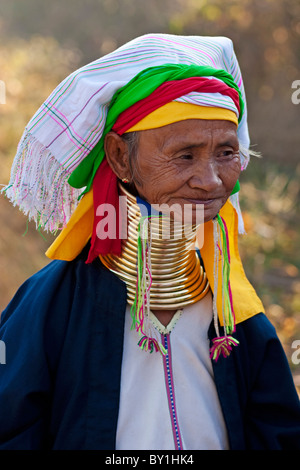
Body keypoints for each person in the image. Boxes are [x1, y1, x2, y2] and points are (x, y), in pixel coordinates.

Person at [0, 33, 299, 450]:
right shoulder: (52, 307)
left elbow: (279, 435)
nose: (211, 180)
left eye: (226, 153)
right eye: (185, 155)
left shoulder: (238, 316)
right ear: (121, 157)